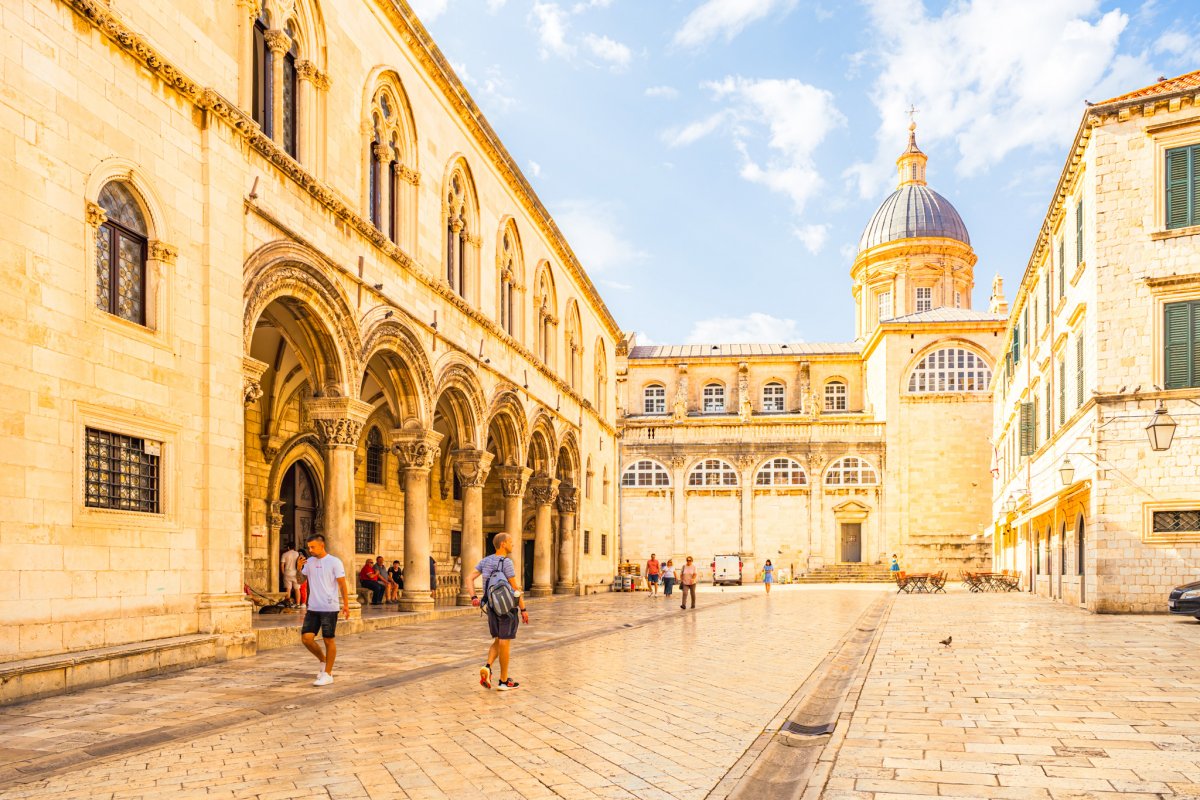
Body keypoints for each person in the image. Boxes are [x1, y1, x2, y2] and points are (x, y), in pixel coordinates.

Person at [467, 532, 529, 691]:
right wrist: (523, 608)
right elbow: (515, 588)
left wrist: (474, 597)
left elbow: (469, 578)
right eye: (510, 542)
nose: (512, 545)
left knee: (498, 639)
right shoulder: (506, 562)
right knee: (504, 641)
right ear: (503, 544)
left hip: (492, 607)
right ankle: (503, 681)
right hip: (507, 607)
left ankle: (487, 667)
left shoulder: (485, 561)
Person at [297, 534, 348, 687]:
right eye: (308, 547)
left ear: (322, 545)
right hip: (313, 607)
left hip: (329, 607)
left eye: (312, 547)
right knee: (306, 638)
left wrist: (346, 604)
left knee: (328, 639)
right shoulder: (309, 562)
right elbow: (301, 581)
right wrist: (299, 569)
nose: (310, 550)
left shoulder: (334, 562)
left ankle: (328, 674)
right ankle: (323, 660)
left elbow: (342, 584)